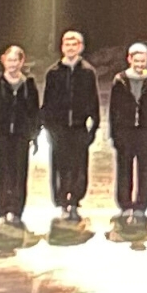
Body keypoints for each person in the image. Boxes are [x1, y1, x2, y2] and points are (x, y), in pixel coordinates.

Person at [41, 31, 100, 225]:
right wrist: (48, 127)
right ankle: (61, 203)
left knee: (78, 167)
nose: (70, 47)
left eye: (74, 43)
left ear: (81, 47)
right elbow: (47, 103)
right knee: (60, 167)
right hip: (59, 129)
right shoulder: (53, 73)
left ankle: (75, 202)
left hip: (78, 128)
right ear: (62, 46)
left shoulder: (88, 72)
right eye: (67, 43)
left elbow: (94, 101)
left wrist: (93, 128)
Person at [0, 45, 41, 228]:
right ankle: (1, 210)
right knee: (1, 174)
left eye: (16, 60)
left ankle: (16, 210)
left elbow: (34, 111)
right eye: (9, 60)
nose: (12, 64)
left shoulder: (28, 85)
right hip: (2, 137)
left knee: (19, 174)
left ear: (21, 62)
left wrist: (34, 134)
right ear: (3, 61)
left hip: (21, 137)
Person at [109, 43, 147, 228]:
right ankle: (125, 205)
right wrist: (115, 133)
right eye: (137, 60)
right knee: (124, 170)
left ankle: (141, 205)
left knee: (145, 170)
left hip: (146, 133)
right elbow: (113, 109)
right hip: (125, 132)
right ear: (129, 59)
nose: (140, 64)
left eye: (143, 61)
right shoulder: (120, 80)